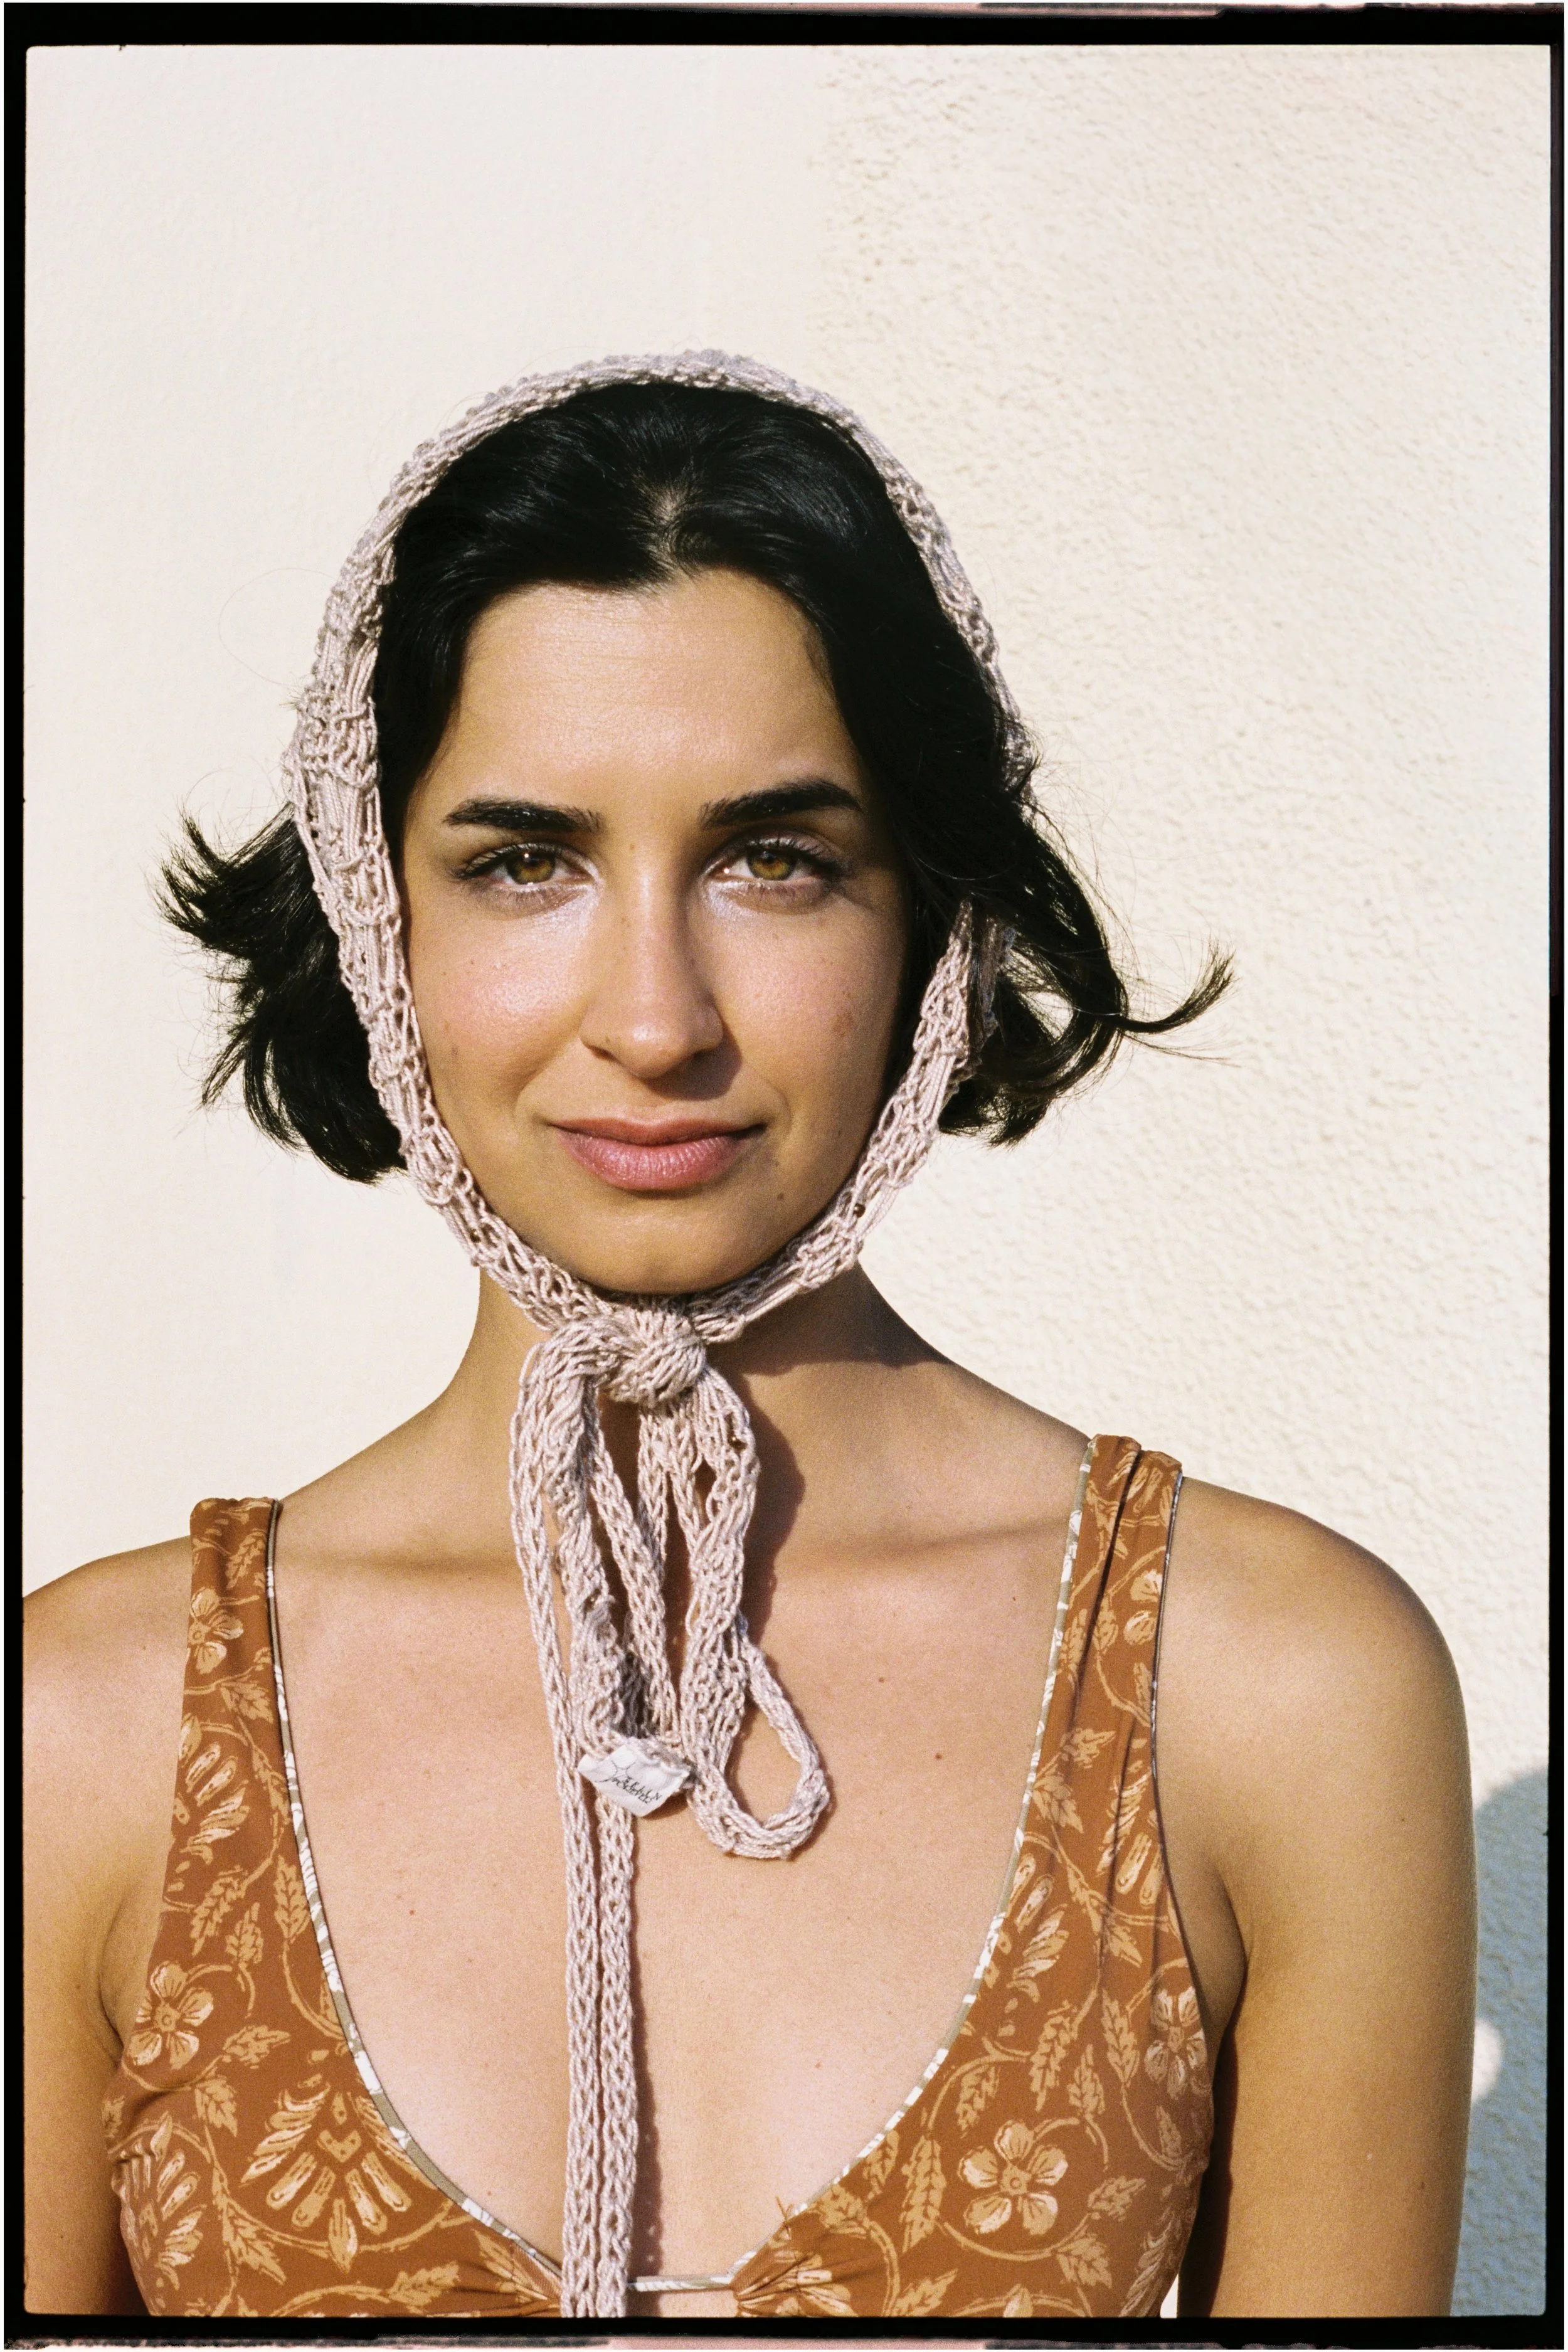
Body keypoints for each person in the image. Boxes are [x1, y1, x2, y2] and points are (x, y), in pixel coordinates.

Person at [24, 356, 1476, 2323]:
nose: (656, 1011)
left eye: (774, 858)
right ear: (376, 913)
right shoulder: (85, 1734)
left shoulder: (1271, 1691)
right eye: (521, 859)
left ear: (931, 911)